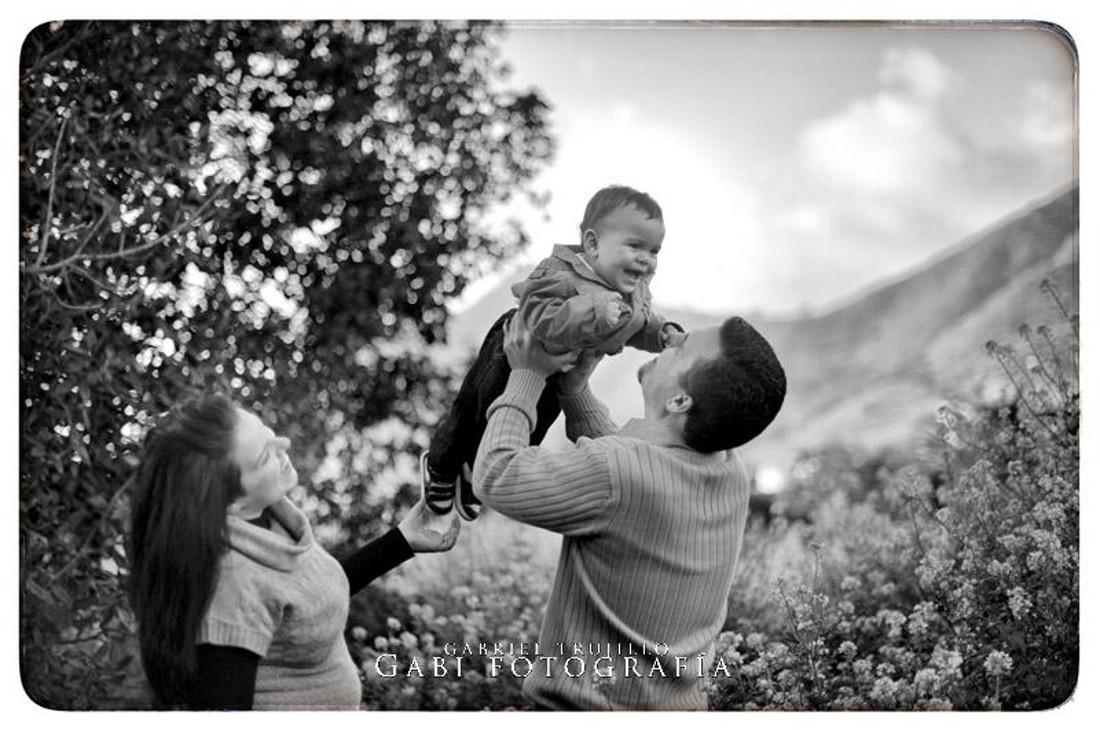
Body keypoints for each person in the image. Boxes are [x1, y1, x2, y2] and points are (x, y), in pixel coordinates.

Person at [473, 313, 786, 710]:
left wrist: (527, 375)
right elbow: (632, 477)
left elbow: (497, 474)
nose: (670, 339)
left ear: (679, 401)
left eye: (682, 346)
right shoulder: (728, 471)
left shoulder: (620, 473)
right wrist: (575, 391)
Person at [128, 393, 459, 710]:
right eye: (264, 455)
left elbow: (306, 597)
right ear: (232, 502)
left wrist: (401, 541)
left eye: (269, 434)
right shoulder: (232, 591)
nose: (283, 445)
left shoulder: (268, 516)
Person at [420, 184, 683, 522]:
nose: (646, 259)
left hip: (557, 372)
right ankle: (441, 468)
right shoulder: (558, 273)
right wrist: (591, 310)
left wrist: (660, 333)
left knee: (530, 428)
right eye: (635, 246)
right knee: (474, 411)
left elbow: (637, 324)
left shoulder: (632, 292)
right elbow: (540, 316)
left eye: (654, 250)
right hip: (512, 354)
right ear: (592, 243)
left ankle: (474, 478)